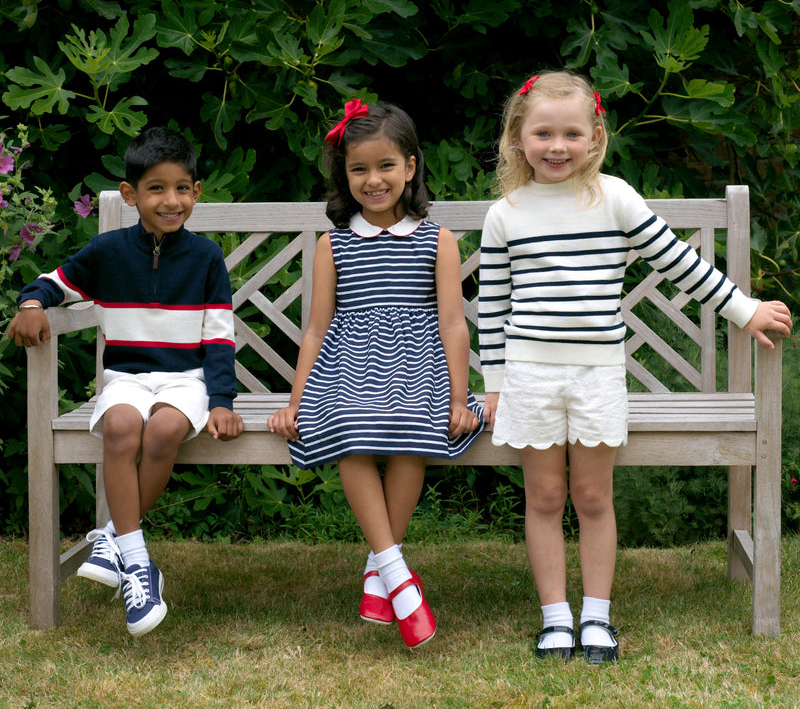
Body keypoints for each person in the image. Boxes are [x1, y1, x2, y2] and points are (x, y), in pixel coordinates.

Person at [479, 70, 793, 664]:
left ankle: (596, 617)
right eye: (543, 133)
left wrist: (746, 309)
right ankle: (555, 618)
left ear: (595, 137)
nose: (556, 147)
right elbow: (492, 305)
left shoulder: (615, 198)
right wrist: (493, 386)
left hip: (596, 376)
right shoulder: (507, 214)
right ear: (518, 138)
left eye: (572, 133)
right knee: (544, 498)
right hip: (529, 377)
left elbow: (680, 263)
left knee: (593, 497)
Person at [8, 127, 244, 636]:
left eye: (182, 188)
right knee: (119, 428)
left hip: (187, 381)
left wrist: (221, 399)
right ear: (132, 195)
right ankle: (140, 562)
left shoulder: (206, 258)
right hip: (126, 378)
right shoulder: (107, 251)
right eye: (156, 188)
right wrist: (30, 304)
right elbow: (52, 283)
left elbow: (220, 338)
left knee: (162, 432)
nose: (171, 200)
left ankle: (117, 541)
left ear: (196, 192)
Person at [268, 99, 484, 649]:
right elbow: (316, 330)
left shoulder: (438, 240)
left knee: (416, 425)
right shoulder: (333, 244)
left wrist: (460, 398)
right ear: (345, 175)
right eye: (358, 168)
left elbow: (454, 325)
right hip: (349, 369)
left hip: (419, 365)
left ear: (410, 167)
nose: (373, 179)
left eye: (386, 166)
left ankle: (378, 570)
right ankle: (397, 576)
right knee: (349, 423)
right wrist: (295, 403)